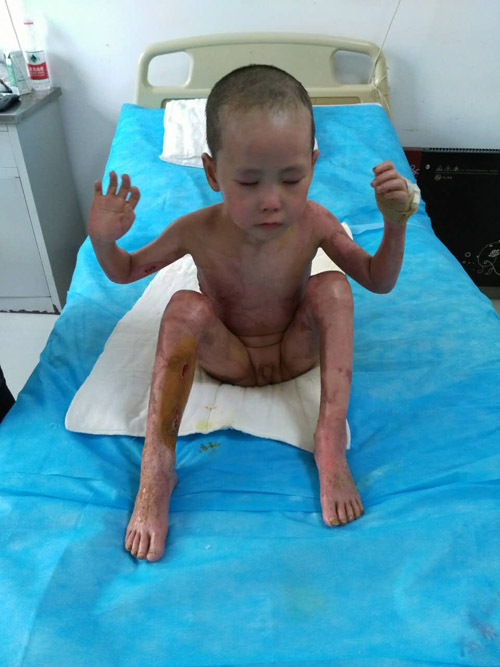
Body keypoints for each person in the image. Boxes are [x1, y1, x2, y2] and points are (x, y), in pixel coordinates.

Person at [89, 65, 418, 562]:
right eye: (247, 181)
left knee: (332, 287)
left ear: (313, 164)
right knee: (183, 307)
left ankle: (329, 440)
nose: (271, 201)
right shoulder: (196, 230)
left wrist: (395, 225)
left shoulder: (315, 222)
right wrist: (103, 240)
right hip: (230, 357)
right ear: (212, 173)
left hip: (296, 350)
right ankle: (157, 467)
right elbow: (126, 270)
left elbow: (378, 279)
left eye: (292, 179)